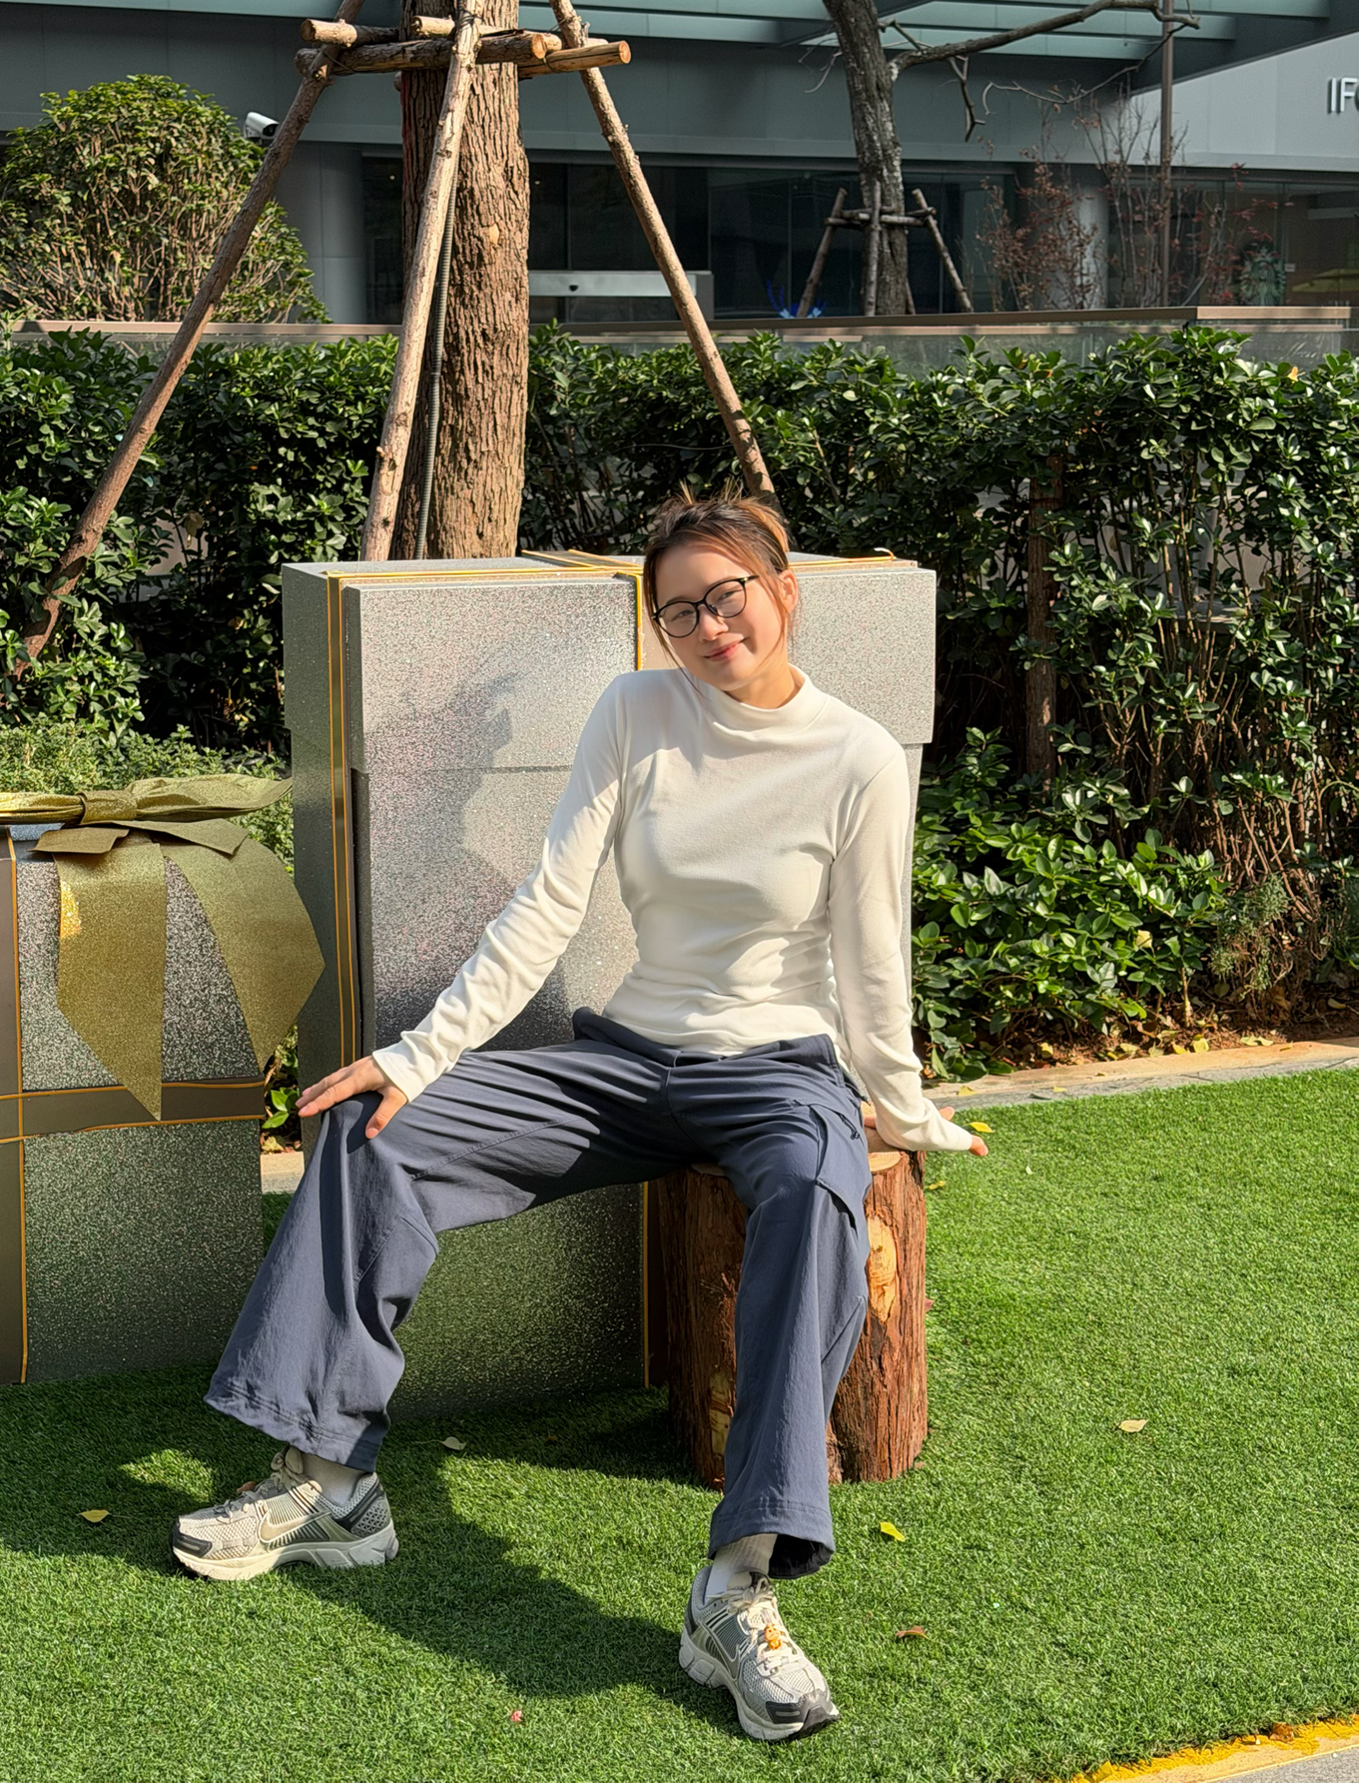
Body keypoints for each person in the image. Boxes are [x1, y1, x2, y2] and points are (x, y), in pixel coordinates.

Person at [172, 488, 987, 1743]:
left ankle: (737, 1590)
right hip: (629, 1057)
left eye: (728, 595)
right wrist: (418, 1055)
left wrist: (906, 1108)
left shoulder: (860, 759)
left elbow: (874, 964)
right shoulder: (635, 712)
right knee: (375, 1126)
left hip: (779, 1071)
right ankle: (332, 1484)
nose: (709, 627)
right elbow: (549, 904)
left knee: (819, 1198)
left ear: (783, 591)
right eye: (679, 611)